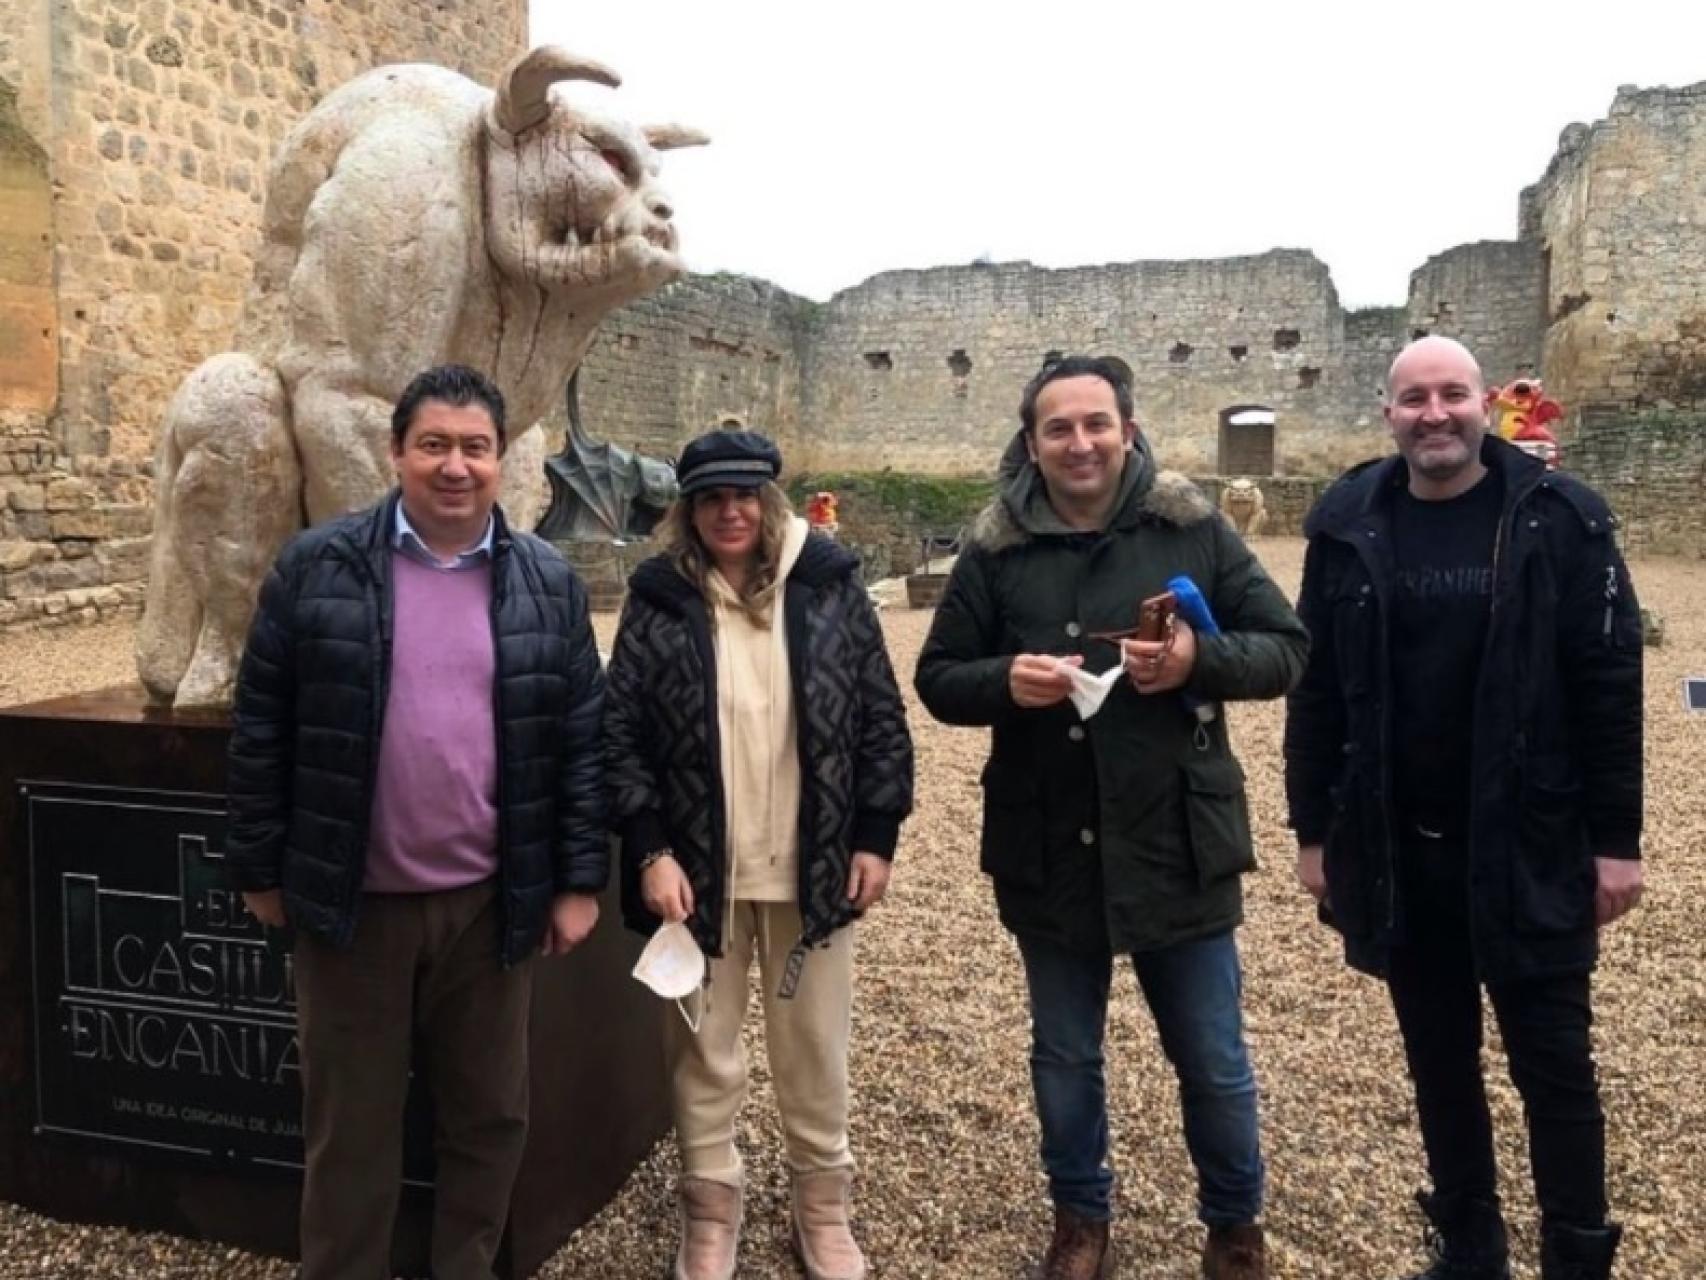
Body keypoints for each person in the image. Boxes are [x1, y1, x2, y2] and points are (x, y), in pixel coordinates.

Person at [914, 356, 1308, 1280]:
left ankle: (1235, 1225)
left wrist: (1195, 665)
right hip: (1047, 841)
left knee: (1211, 1058)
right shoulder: (997, 548)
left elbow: (1286, 651)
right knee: (1063, 1056)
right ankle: (1081, 1219)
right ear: (1033, 443)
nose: (1080, 443)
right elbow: (937, 679)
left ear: (1128, 431)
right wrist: (1004, 683)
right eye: (1060, 428)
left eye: (1097, 424)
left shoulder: (1194, 529)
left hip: (1178, 836)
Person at [225, 364, 608, 1280]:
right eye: (433, 444)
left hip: (489, 908)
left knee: (488, 1121)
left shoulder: (548, 584)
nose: (454, 466)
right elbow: (261, 723)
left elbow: (580, 740)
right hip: (354, 905)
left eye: (475, 447)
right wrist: (259, 867)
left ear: (502, 461)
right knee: (349, 1131)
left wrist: (576, 881)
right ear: (396, 452)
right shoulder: (319, 566)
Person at [1284, 336, 1643, 1280]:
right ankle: (1470, 1246)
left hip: (1531, 835)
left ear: (1486, 403)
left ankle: (1577, 1252)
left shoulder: (1562, 518)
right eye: (1414, 399)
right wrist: (1313, 831)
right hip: (1402, 843)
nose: (1433, 414)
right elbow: (1316, 687)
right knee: (1440, 1066)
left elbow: (1608, 685)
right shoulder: (1346, 524)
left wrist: (1617, 843)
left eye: (1451, 395)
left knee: (1555, 1068)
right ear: (1387, 413)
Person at [602, 430, 914, 1280]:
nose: (729, 511)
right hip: (697, 875)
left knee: (813, 1044)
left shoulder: (829, 585)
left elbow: (879, 716)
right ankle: (710, 1206)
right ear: (688, 510)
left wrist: (875, 835)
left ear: (770, 501)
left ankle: (824, 1204)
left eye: (744, 495)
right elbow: (620, 732)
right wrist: (649, 849)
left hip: (811, 864)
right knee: (702, 1048)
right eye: (711, 498)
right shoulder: (660, 597)